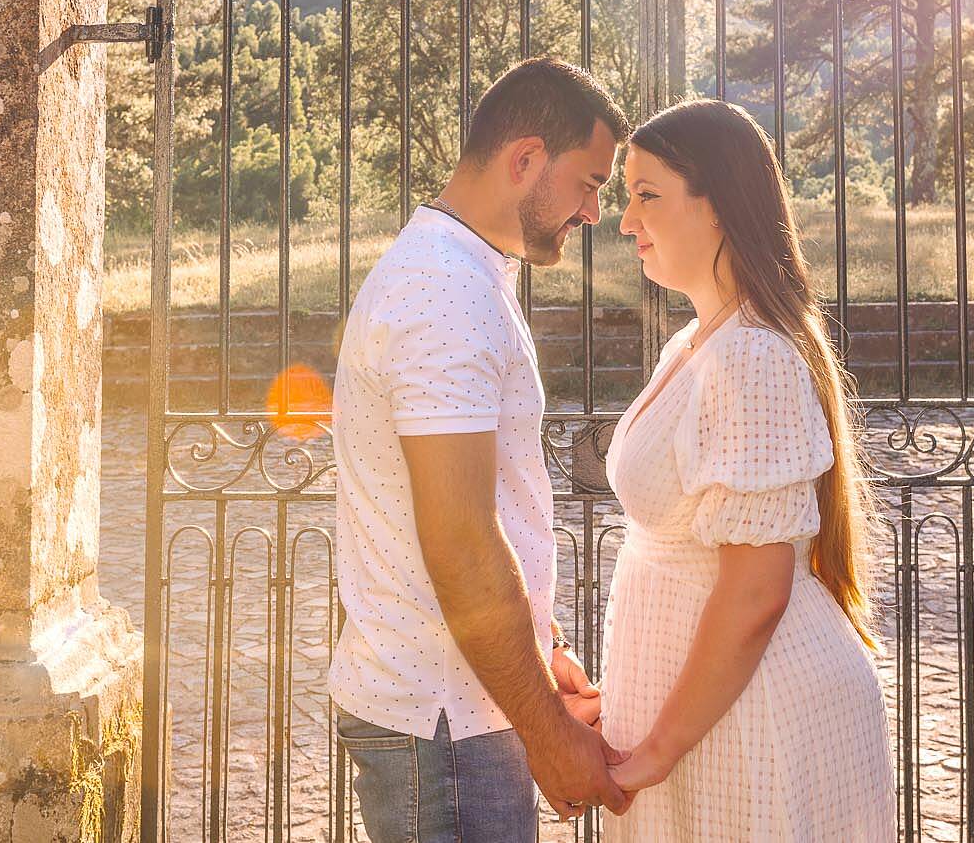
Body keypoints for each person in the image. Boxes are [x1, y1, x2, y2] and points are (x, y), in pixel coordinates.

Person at [329, 56, 634, 842]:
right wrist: (549, 731)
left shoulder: (465, 271)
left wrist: (542, 642)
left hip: (456, 709)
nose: (596, 211)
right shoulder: (444, 290)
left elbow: (488, 505)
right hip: (445, 726)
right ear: (525, 158)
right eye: (590, 182)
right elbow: (461, 540)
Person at [599, 97, 895, 841]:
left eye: (647, 195)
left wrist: (658, 750)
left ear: (720, 207)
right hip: (704, 718)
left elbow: (757, 591)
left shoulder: (754, 355)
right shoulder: (697, 344)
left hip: (752, 720)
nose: (626, 221)